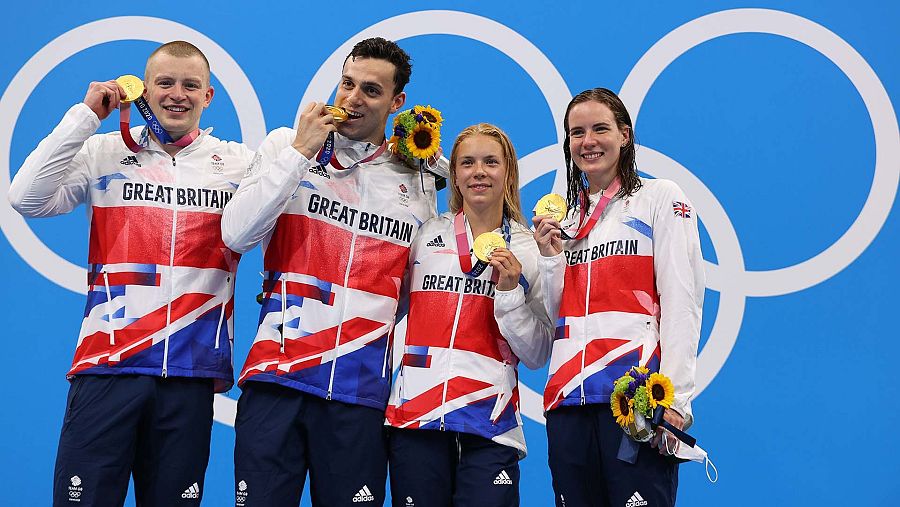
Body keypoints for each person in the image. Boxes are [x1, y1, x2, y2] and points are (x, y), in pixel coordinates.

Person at [8, 41, 254, 506]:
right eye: (164, 83)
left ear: (209, 96)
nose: (176, 94)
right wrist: (85, 117)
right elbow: (26, 198)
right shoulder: (102, 151)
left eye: (190, 85)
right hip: (108, 370)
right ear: (143, 90)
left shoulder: (238, 164)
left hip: (189, 375)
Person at [222, 37, 440, 506]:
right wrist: (301, 151)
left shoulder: (418, 181)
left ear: (397, 103)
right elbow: (237, 235)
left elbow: (409, 294)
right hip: (277, 378)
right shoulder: (288, 146)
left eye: (371, 90)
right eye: (346, 84)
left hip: (358, 392)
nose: (352, 98)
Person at [532, 87, 704, 507]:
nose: (587, 141)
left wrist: (676, 401)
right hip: (568, 401)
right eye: (577, 133)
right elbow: (552, 319)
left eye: (600, 129)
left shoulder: (660, 198)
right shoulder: (563, 223)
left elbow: (682, 301)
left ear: (624, 135)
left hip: (635, 399)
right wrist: (551, 259)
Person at [385, 123, 552, 507]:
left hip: (490, 424)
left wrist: (509, 294)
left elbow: (538, 352)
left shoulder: (527, 252)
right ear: (454, 175)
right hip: (417, 417)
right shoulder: (424, 235)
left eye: (491, 162)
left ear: (508, 173)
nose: (479, 171)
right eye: (468, 163)